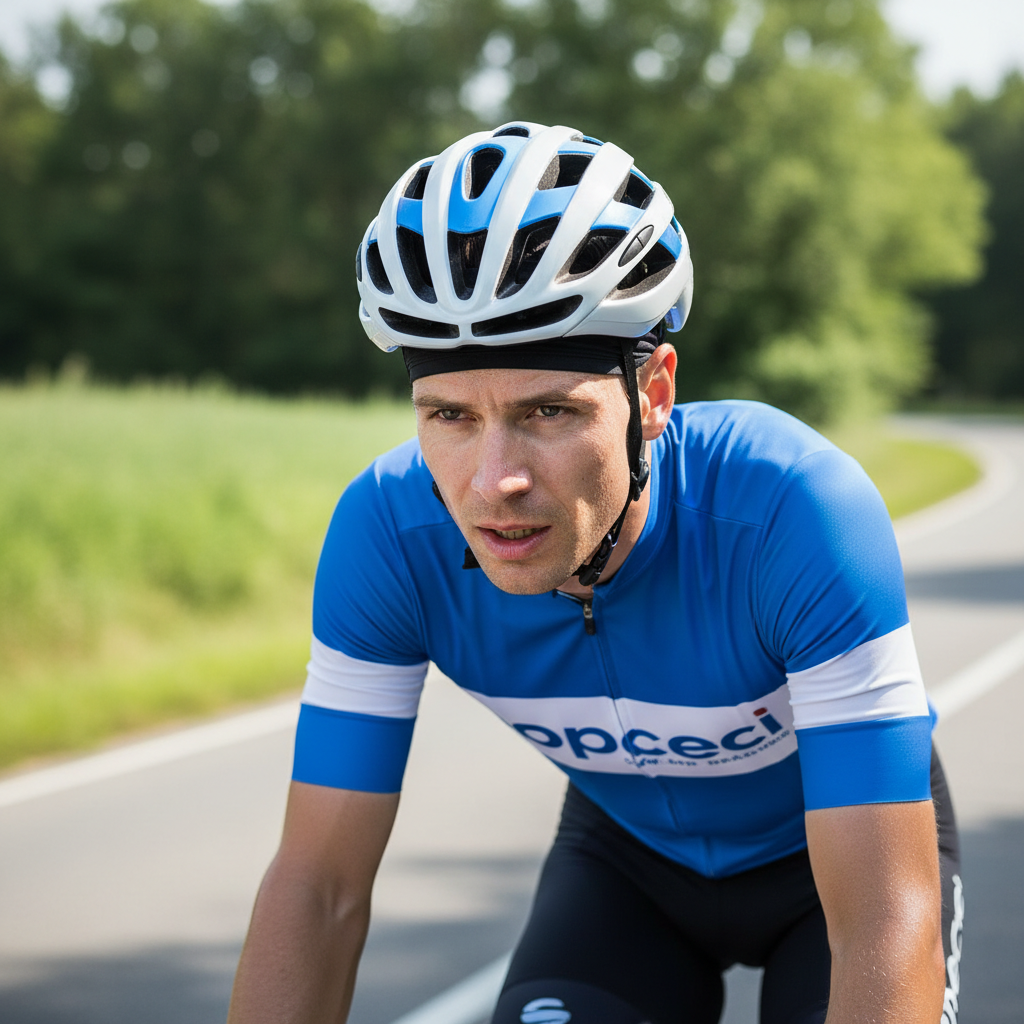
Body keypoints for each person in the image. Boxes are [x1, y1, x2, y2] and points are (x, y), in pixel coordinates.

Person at [227, 122, 963, 1024]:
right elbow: (318, 890)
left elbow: (888, 921)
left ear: (651, 397)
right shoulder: (388, 536)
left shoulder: (792, 513)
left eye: (547, 411)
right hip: (629, 867)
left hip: (838, 872)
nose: (494, 480)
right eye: (450, 415)